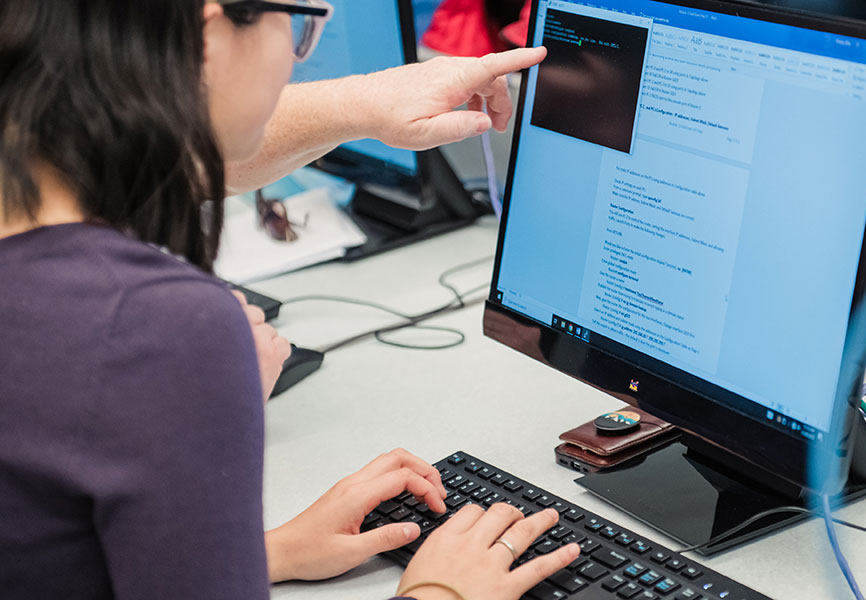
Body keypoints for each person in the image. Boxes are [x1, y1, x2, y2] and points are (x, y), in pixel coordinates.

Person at [0, 1, 576, 599]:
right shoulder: (151, 330)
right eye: (301, 27)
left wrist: (246, 552)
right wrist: (443, 593)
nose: (296, 60)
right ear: (209, 31)